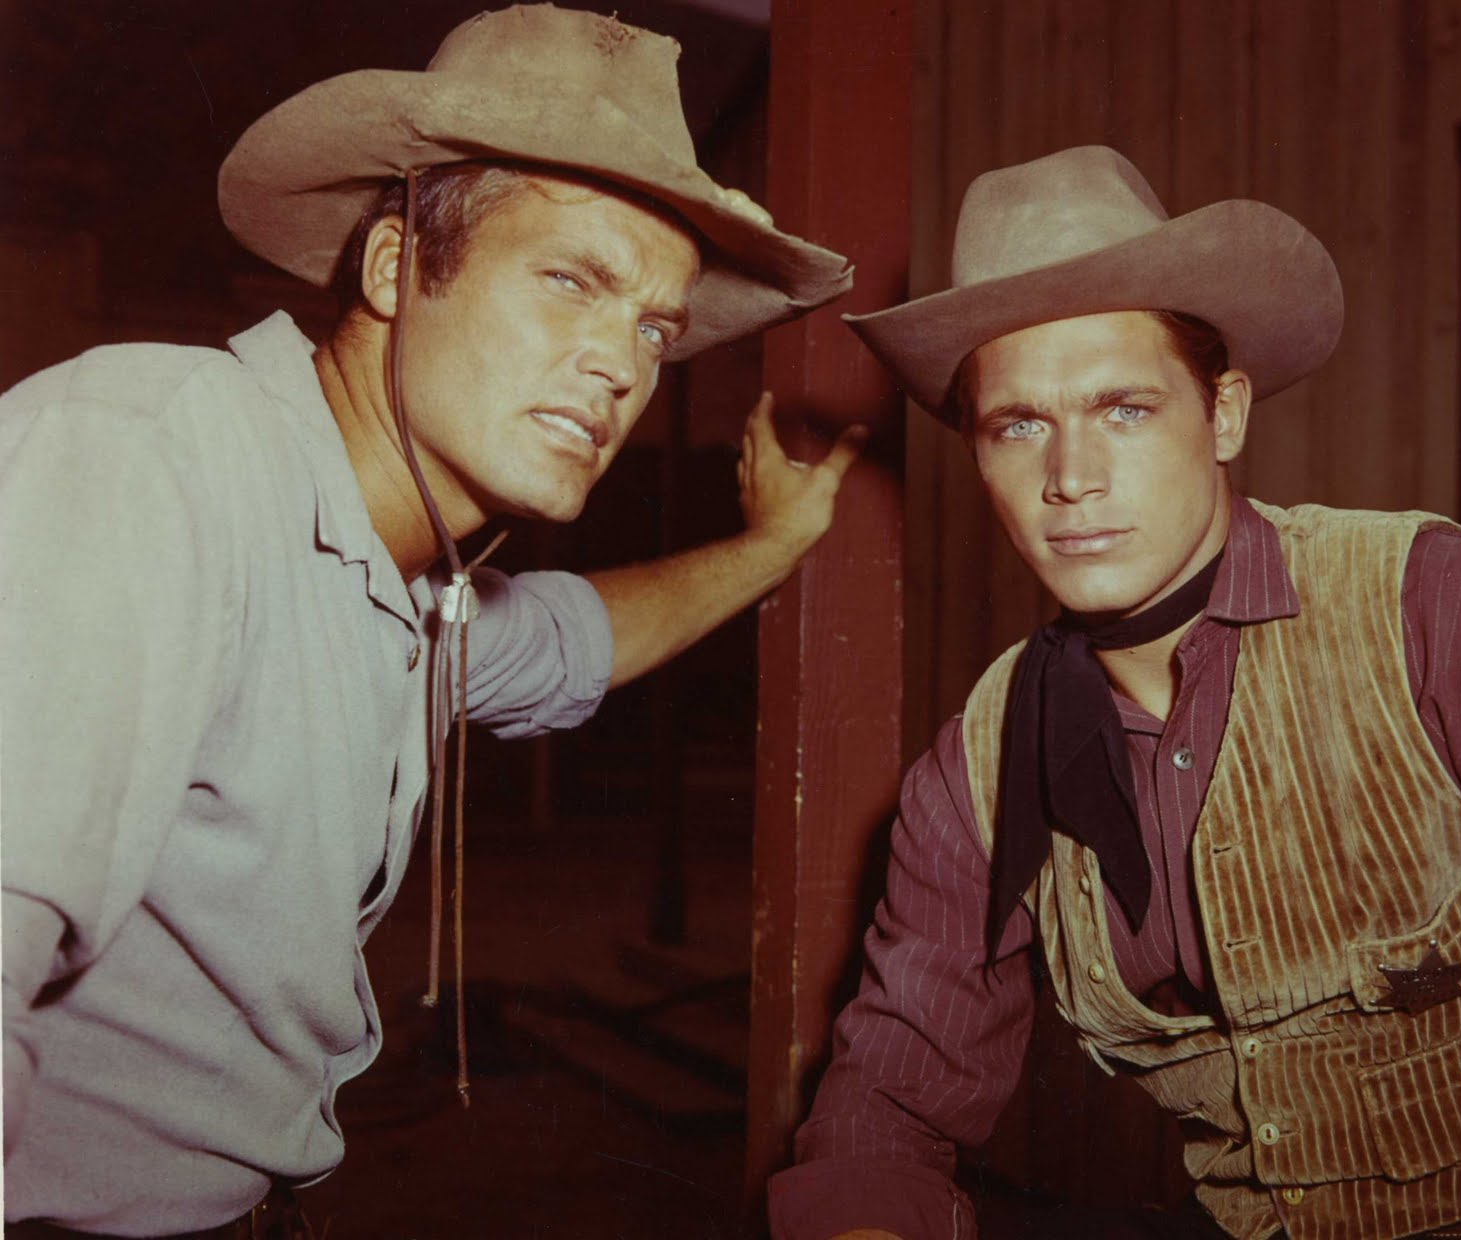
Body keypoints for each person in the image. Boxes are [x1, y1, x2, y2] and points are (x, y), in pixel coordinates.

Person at [1, 6, 863, 1236]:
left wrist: (774, 543)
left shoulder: (396, 580)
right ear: (395, 268)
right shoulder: (158, 463)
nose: (621, 365)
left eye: (652, 326)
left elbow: (569, 639)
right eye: (570, 280)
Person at [767, 146, 1461, 1240]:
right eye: (1019, 424)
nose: (1070, 477)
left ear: (1224, 414)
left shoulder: (1442, 611)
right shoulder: (975, 774)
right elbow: (885, 1102)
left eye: (1124, 409)